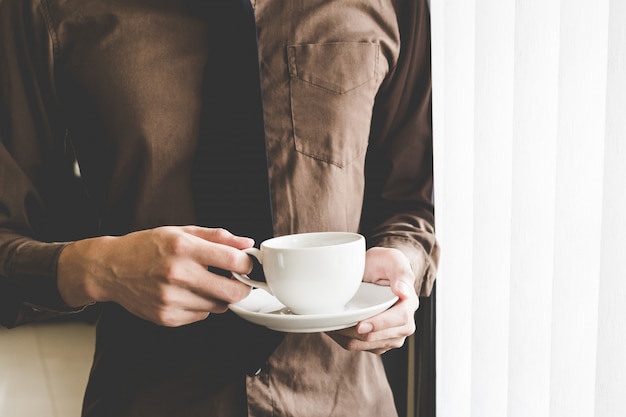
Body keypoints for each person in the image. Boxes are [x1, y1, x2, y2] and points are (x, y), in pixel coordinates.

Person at [0, 0, 439, 416]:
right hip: (149, 397)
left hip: (344, 399)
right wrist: (101, 268)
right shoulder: (42, 9)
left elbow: (409, 201)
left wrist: (401, 264)